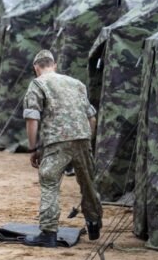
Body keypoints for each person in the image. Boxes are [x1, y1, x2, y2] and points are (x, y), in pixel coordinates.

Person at [21, 49, 103, 248]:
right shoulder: (77, 84)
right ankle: (93, 224)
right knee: (88, 183)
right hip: (82, 138)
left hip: (57, 141)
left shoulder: (38, 84)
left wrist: (33, 149)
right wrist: (86, 140)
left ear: (36, 68)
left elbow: (32, 118)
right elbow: (92, 117)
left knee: (49, 182)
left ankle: (48, 233)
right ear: (54, 65)